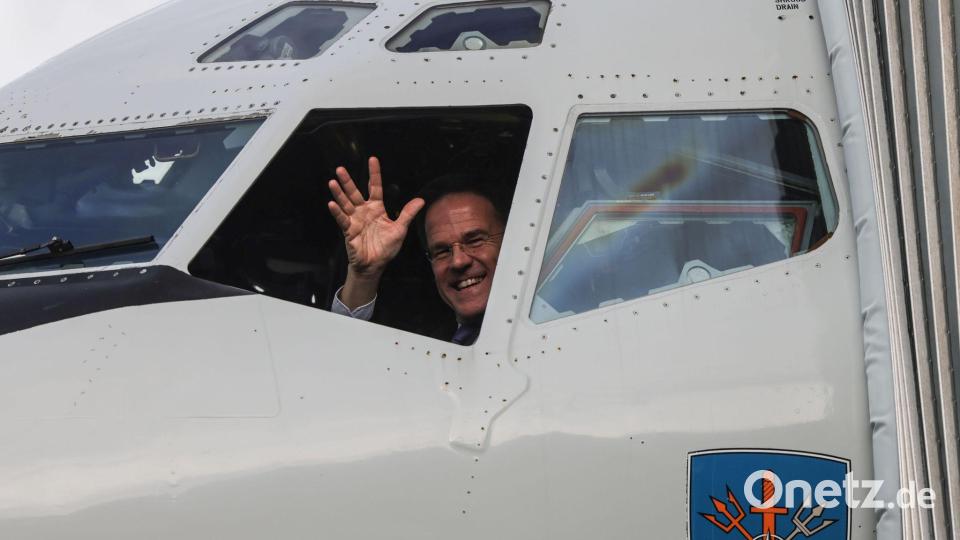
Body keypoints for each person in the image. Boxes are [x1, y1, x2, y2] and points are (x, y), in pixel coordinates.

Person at [327, 156, 506, 345]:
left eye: (475, 241)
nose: (458, 261)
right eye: (442, 251)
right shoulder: (420, 346)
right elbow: (341, 356)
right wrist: (364, 275)